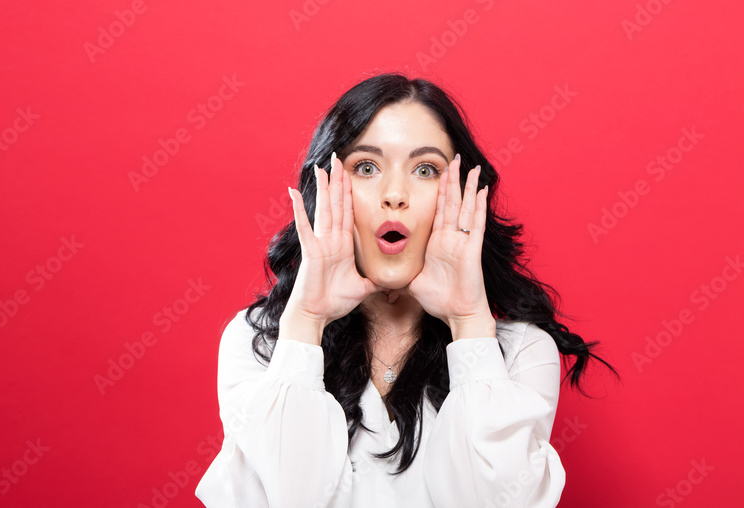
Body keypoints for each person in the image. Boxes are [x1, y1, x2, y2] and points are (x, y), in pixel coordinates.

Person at [194, 73, 619, 508]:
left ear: (464, 193)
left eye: (425, 170)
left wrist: (469, 322)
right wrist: (306, 322)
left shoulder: (519, 353)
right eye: (365, 167)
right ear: (326, 187)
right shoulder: (260, 343)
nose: (394, 194)